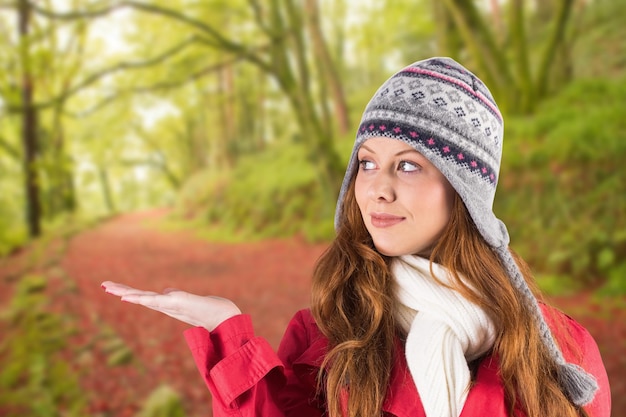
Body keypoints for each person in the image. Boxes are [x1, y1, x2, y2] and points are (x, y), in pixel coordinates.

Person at [102, 57, 611, 417]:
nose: (377, 190)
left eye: (408, 166)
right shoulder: (330, 331)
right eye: (367, 163)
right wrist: (227, 331)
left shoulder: (556, 350)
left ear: (465, 192)